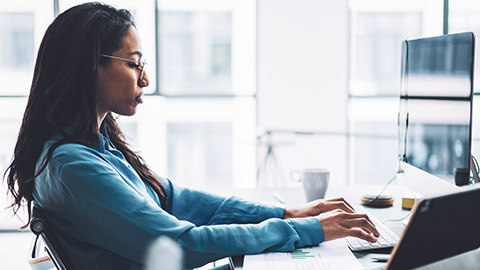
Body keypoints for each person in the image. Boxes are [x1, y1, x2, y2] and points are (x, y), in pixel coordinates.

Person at [5, 2, 379, 269]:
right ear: (90, 67)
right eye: (134, 64)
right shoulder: (73, 167)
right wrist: (303, 229)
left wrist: (285, 213)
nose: (145, 79)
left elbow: (177, 199)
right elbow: (180, 244)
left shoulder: (98, 146)